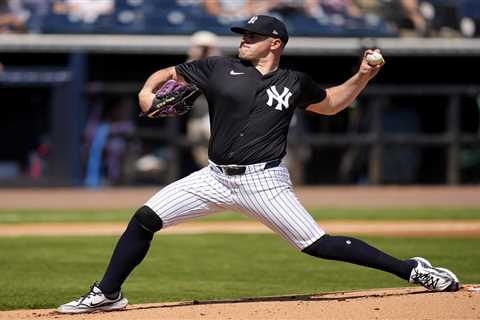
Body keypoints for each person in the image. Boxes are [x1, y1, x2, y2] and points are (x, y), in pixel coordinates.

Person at [57, 15, 459, 314]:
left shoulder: (294, 82)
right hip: (213, 177)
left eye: (252, 36)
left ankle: (411, 269)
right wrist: (148, 91)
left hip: (265, 182)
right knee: (145, 218)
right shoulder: (218, 68)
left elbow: (333, 104)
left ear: (275, 43)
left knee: (317, 244)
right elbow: (169, 72)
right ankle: (109, 293)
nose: (244, 40)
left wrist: (364, 75)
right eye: (243, 35)